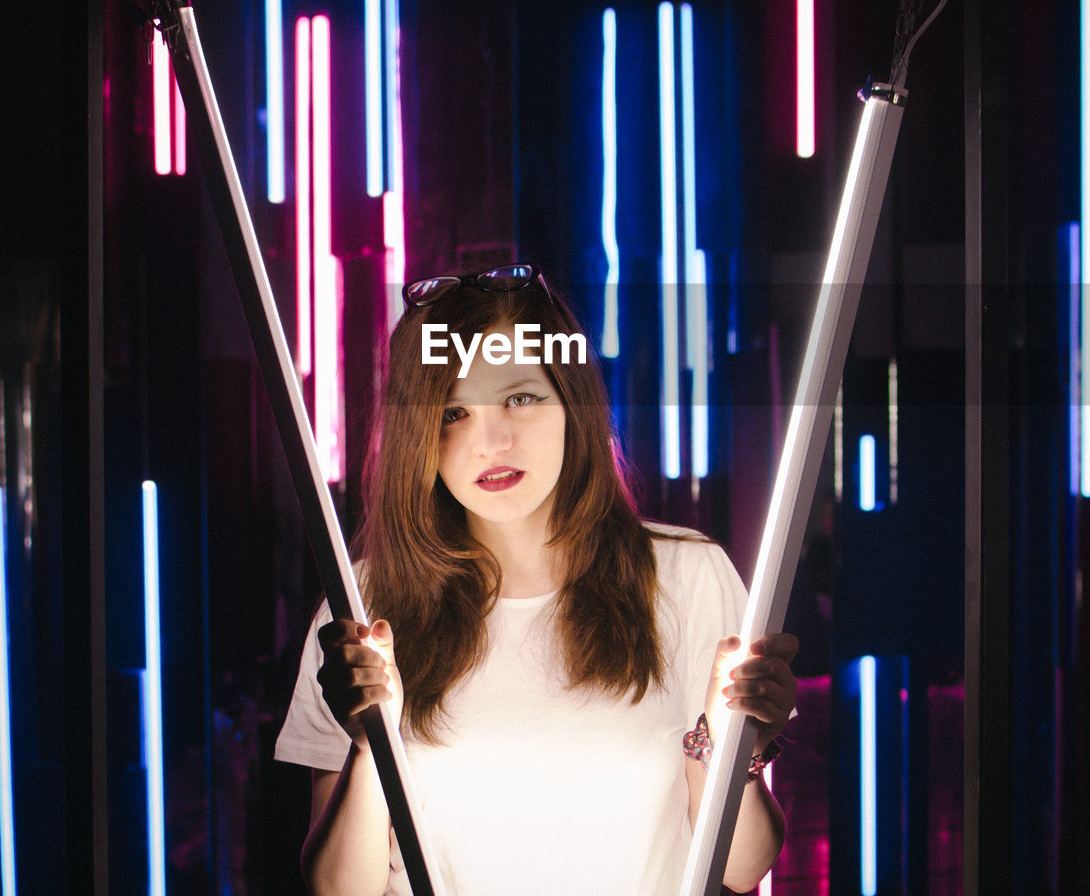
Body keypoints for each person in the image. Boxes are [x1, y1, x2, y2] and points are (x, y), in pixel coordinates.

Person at [275, 264, 799, 895]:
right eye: (453, 412)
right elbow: (339, 890)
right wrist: (367, 746)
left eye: (520, 398)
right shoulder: (367, 607)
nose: (490, 440)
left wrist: (740, 747)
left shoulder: (686, 576)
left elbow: (742, 868)